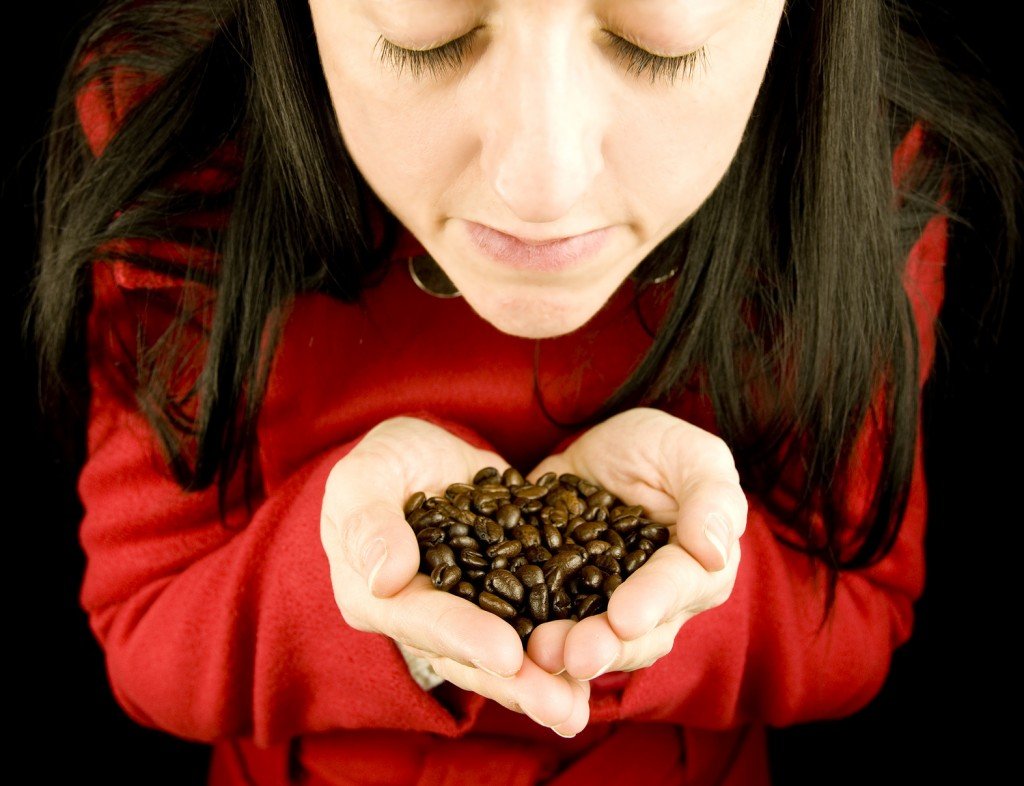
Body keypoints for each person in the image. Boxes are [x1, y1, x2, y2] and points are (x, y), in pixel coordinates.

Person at [30, 0, 1018, 784]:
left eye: (658, 44)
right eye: (428, 34)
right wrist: (342, 584)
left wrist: (677, 598)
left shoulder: (861, 189)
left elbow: (859, 616)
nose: (540, 184)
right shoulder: (176, 158)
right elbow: (141, 626)